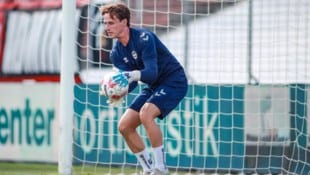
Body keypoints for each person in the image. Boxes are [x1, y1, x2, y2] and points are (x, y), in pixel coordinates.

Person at [100, 3, 188, 175]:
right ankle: (148, 169)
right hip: (153, 85)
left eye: (111, 23)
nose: (106, 27)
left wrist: (130, 76)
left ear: (124, 22)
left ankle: (161, 169)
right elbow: (132, 81)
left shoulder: (144, 38)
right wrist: (120, 92)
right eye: (105, 23)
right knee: (124, 126)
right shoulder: (115, 53)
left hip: (173, 81)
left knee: (146, 113)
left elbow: (151, 73)